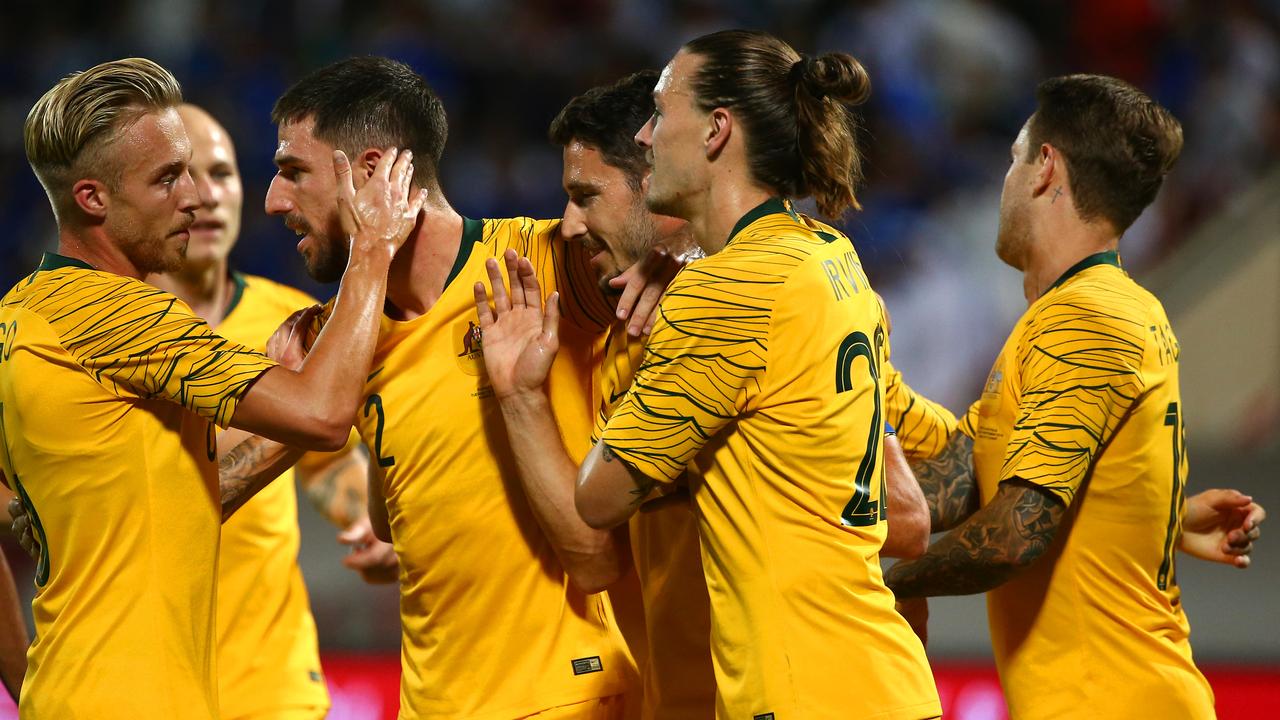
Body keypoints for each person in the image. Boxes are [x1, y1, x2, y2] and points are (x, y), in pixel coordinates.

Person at [478, 68, 951, 718]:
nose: (566, 224)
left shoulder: (743, 305)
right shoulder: (640, 331)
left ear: (655, 182)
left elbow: (904, 513)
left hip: (806, 690)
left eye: (587, 195)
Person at [0, 57, 422, 718]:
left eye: (202, 171)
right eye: (168, 178)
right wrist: (373, 249)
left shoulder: (20, 314)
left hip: (76, 689)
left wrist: (29, 686)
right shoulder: (118, 316)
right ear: (93, 199)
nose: (194, 198)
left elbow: (178, 498)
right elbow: (322, 414)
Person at [244, 56, 643, 718]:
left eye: (294, 172)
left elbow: (669, 242)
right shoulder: (347, 340)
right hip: (433, 703)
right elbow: (391, 508)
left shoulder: (544, 265)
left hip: (566, 696)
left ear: (372, 173)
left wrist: (665, 264)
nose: (274, 201)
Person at [882, 74, 1265, 718]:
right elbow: (962, 474)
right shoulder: (1070, 315)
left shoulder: (1090, 319)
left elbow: (1016, 533)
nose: (1004, 184)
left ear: (1044, 170)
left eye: (1012, 161)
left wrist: (894, 584)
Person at [151, 103, 395, 720]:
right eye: (175, 175)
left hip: (271, 684)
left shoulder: (297, 320)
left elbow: (331, 463)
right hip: (141, 679)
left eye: (222, 173)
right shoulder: (93, 331)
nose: (205, 196)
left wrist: (363, 520)